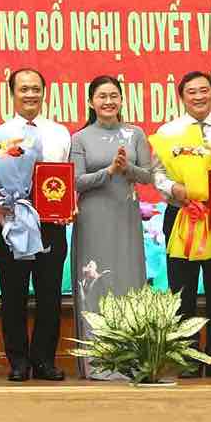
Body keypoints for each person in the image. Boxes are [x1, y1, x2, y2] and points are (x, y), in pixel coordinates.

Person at [151, 71, 211, 379]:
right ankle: (186, 358)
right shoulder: (168, 132)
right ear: (182, 97)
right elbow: (157, 174)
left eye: (204, 91)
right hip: (182, 214)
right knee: (182, 290)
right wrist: (174, 190)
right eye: (191, 92)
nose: (198, 96)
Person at [0, 68, 70, 382]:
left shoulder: (61, 133)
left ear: (44, 92)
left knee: (50, 294)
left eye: (36, 88)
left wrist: (67, 203)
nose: (30, 94)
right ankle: (18, 361)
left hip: (50, 223)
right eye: (24, 89)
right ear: (12, 93)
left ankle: (45, 359)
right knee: (13, 293)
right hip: (11, 221)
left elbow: (66, 178)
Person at [69, 75, 153, 380]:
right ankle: (99, 363)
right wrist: (108, 171)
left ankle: (131, 361)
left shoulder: (135, 134)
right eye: (101, 96)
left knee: (127, 279)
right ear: (91, 102)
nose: (108, 102)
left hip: (125, 216)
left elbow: (149, 176)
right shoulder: (79, 138)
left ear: (121, 100)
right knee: (96, 282)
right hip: (93, 217)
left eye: (113, 96)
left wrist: (127, 169)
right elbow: (75, 181)